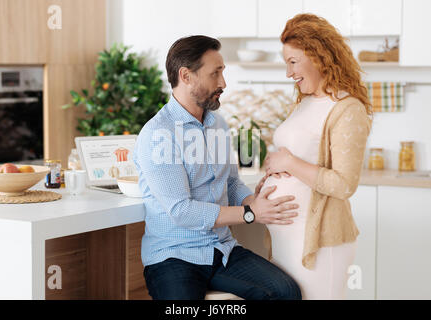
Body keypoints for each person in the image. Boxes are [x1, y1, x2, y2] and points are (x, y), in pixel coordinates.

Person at [132, 35, 302, 300]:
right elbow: (181, 211)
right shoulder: (158, 134)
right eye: (215, 74)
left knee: (286, 293)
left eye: (223, 72)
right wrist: (249, 214)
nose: (223, 83)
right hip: (174, 257)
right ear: (186, 76)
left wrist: (254, 201)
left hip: (221, 250)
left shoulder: (217, 125)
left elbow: (231, 183)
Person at [261, 14, 373, 300]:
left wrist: (288, 163)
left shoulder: (347, 108)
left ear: (319, 57)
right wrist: (274, 167)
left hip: (321, 244)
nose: (288, 73)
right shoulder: (304, 102)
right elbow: (297, 155)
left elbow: (344, 184)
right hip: (288, 240)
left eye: (293, 62)